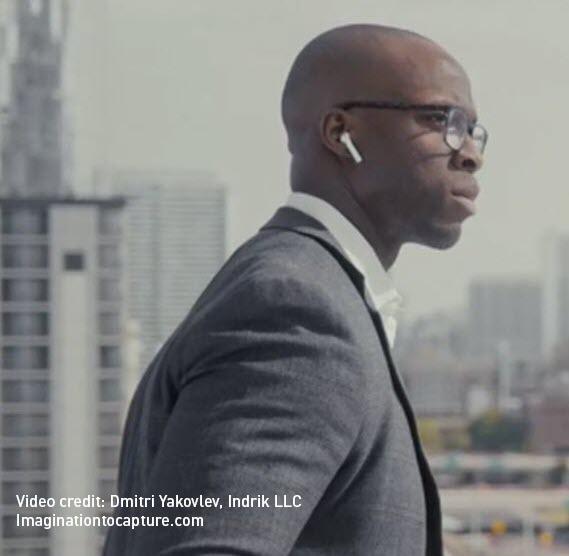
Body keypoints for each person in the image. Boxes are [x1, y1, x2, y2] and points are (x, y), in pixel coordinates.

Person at [103, 23, 485, 556]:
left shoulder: (311, 290)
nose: (469, 152)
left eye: (473, 130)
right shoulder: (298, 311)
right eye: (441, 120)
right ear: (340, 132)